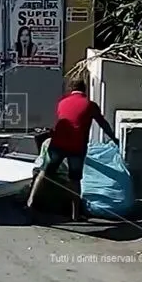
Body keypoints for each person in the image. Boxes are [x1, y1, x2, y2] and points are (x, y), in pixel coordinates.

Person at [26, 78, 119, 221]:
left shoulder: (62, 102)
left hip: (57, 144)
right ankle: (75, 215)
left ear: (70, 89)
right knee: (75, 179)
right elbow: (103, 124)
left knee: (44, 172)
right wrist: (114, 138)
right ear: (85, 89)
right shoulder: (90, 105)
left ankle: (30, 203)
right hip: (77, 146)